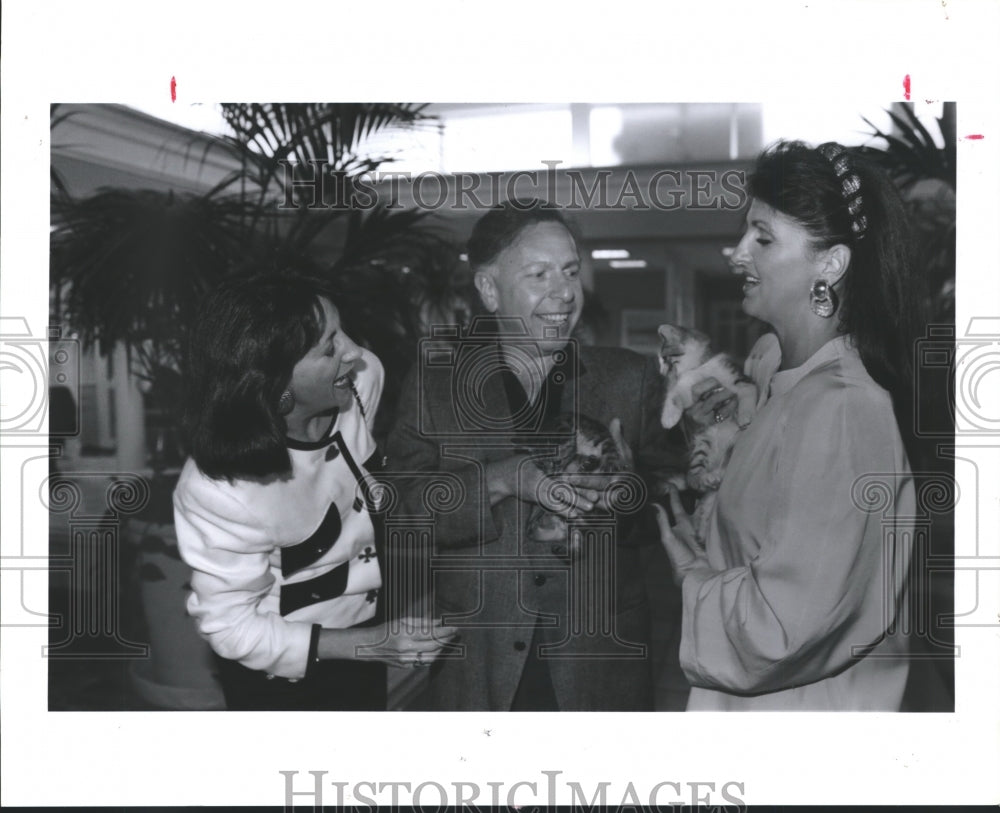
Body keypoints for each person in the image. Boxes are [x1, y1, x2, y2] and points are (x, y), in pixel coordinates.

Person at [385, 200, 685, 711]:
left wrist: (630, 492)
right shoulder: (436, 385)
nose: (564, 292)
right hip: (478, 662)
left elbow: (678, 498)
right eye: (539, 274)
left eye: (570, 271)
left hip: (598, 664)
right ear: (489, 289)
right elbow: (400, 510)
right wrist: (499, 480)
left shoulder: (629, 379)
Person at [656, 141, 920, 710]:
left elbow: (782, 627)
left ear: (831, 264)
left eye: (764, 238)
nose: (737, 254)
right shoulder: (780, 377)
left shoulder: (843, 410)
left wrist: (692, 578)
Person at [173, 273, 455, 710]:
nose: (355, 352)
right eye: (329, 347)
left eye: (344, 331)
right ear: (273, 381)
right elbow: (230, 627)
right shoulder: (218, 489)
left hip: (368, 637)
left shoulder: (361, 382)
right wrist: (368, 644)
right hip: (281, 672)